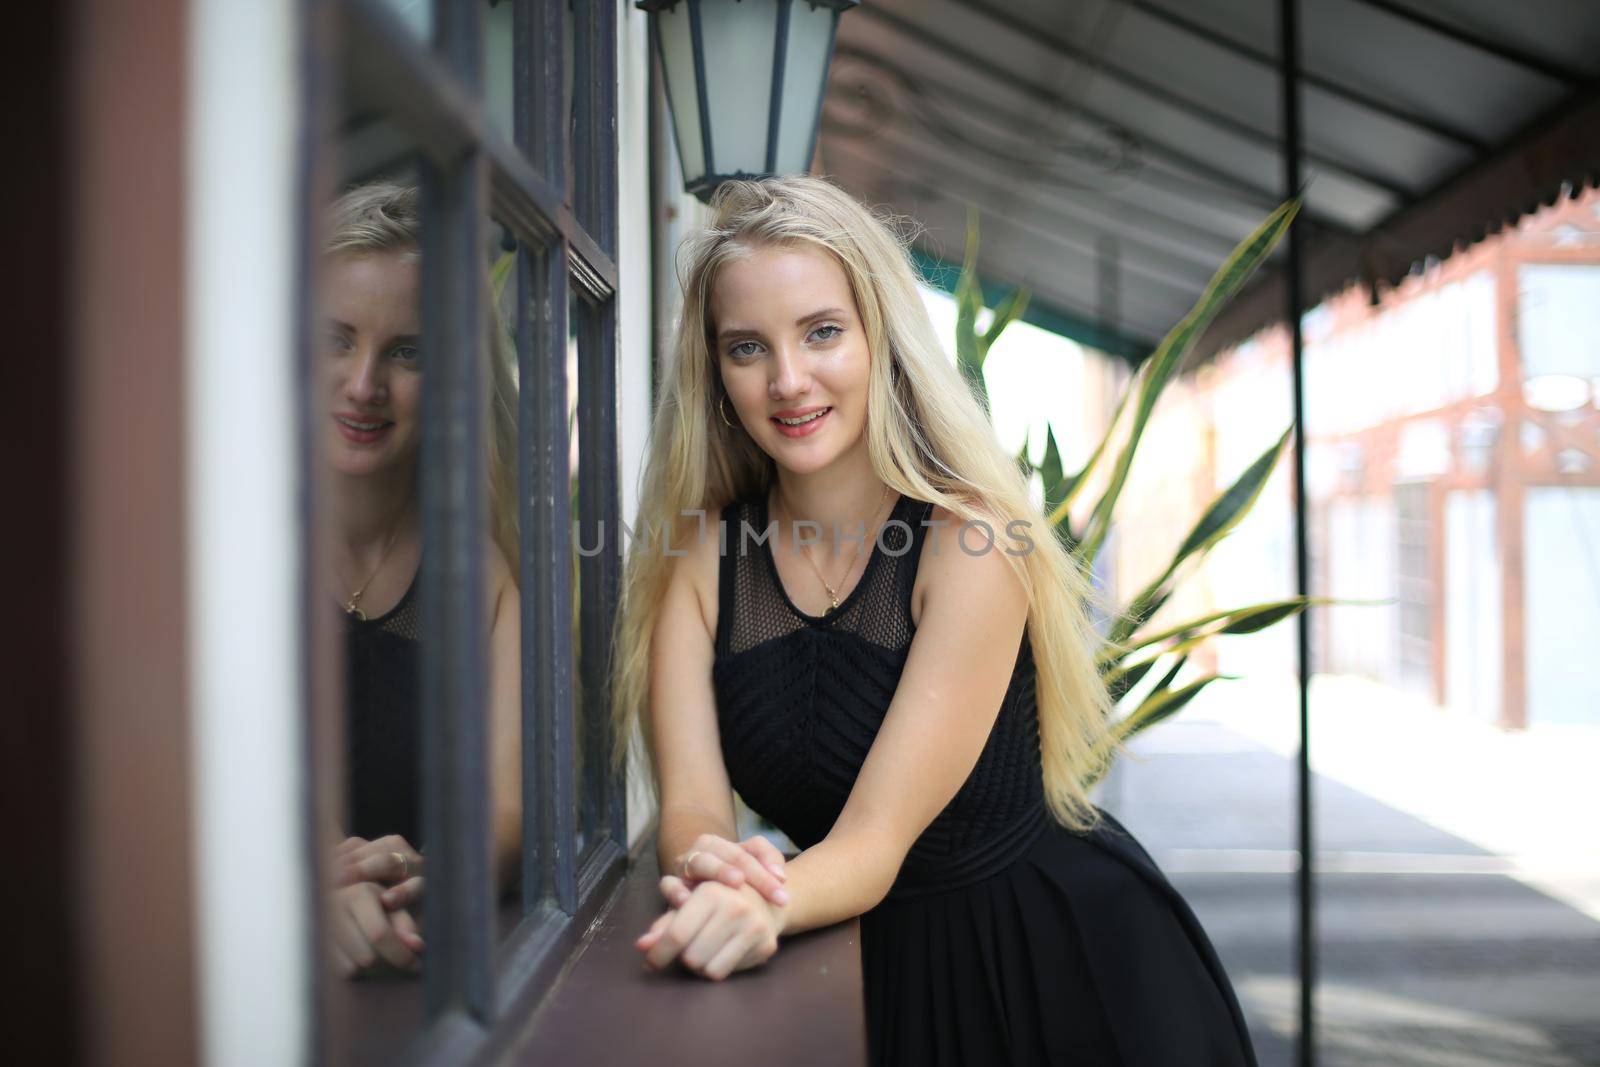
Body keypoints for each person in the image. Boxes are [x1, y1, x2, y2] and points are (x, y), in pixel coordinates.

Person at [611, 175, 1257, 1065]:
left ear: (882, 337)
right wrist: (711, 871)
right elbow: (690, 803)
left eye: (822, 332)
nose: (788, 379)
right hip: (854, 964)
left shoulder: (970, 547)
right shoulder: (702, 559)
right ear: (714, 371)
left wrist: (763, 900)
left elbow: (873, 842)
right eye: (747, 347)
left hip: (1055, 972)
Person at [321, 181, 524, 978]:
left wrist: (422, 879)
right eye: (335, 338)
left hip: (418, 973)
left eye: (407, 352)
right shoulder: (233, 558)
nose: (364, 383)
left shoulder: (485, 580)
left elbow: (504, 817)